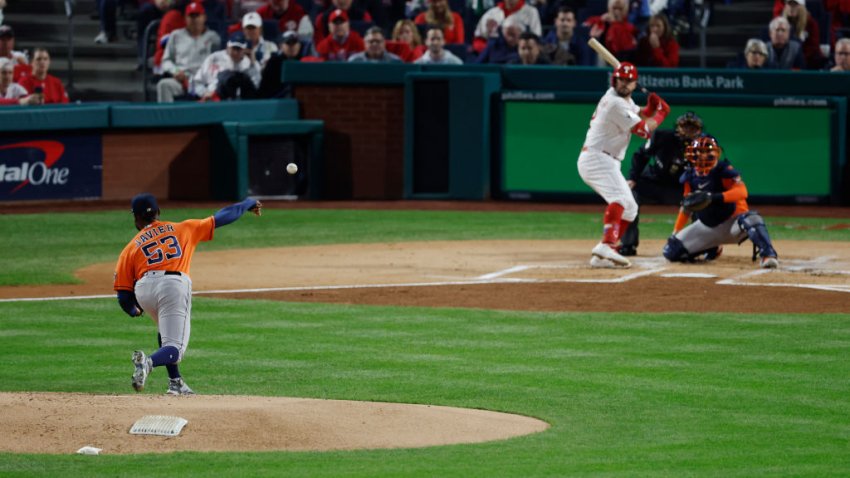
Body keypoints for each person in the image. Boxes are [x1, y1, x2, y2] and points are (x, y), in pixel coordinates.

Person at [114, 194, 262, 395]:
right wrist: (247, 203)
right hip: (173, 286)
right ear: (159, 212)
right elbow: (223, 216)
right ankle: (148, 363)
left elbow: (123, 296)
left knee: (164, 330)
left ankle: (175, 382)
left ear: (136, 218)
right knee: (175, 349)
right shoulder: (183, 228)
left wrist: (135, 310)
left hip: (143, 289)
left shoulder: (129, 248)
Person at [577, 62, 670, 269]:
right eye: (621, 80)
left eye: (629, 81)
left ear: (635, 84)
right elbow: (644, 130)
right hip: (597, 158)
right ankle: (607, 245)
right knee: (619, 199)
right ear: (615, 80)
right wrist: (661, 114)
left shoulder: (624, 101)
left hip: (606, 160)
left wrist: (653, 107)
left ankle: (602, 255)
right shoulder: (614, 102)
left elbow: (642, 113)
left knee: (630, 208)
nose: (625, 84)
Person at [663, 135, 779, 269]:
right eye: (699, 152)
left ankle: (768, 255)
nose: (703, 156)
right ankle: (712, 248)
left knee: (752, 218)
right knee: (671, 251)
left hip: (733, 224)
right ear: (691, 154)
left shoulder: (724, 170)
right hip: (707, 226)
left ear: (716, 153)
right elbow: (686, 207)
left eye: (707, 151)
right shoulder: (689, 176)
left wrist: (714, 197)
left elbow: (742, 192)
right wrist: (675, 231)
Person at [618, 111, 703, 256]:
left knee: (702, 202)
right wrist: (632, 178)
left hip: (680, 189)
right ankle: (627, 245)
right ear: (678, 127)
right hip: (653, 182)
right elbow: (640, 156)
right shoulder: (662, 136)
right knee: (629, 196)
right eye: (685, 126)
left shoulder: (702, 145)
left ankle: (700, 247)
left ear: (699, 130)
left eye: (692, 128)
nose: (688, 130)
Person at [157, 2, 222, 102]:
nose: (194, 19)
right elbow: (166, 61)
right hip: (182, 79)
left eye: (197, 15)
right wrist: (175, 71)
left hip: (204, 81)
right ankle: (167, 117)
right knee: (164, 85)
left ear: (204, 17)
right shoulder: (176, 35)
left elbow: (219, 62)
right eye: (191, 16)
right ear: (185, 19)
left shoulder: (214, 38)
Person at [192, 32, 262, 101]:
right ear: (228, 47)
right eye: (233, 48)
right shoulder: (214, 58)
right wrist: (205, 93)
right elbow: (195, 83)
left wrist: (252, 64)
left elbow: (258, 88)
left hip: (241, 102)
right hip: (215, 100)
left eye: (238, 49)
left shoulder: (250, 63)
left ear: (244, 49)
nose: (235, 52)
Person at [472, 0, 542, 54]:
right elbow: (478, 40)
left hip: (520, 55)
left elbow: (536, 39)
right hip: (494, 55)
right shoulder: (491, 14)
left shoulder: (531, 12)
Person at [780, 0, 825, 69]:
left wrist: (798, 58)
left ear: (802, 7)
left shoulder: (811, 24)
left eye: (795, 5)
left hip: (807, 60)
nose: (791, 8)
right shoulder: (780, 24)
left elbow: (813, 47)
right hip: (787, 58)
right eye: (789, 5)